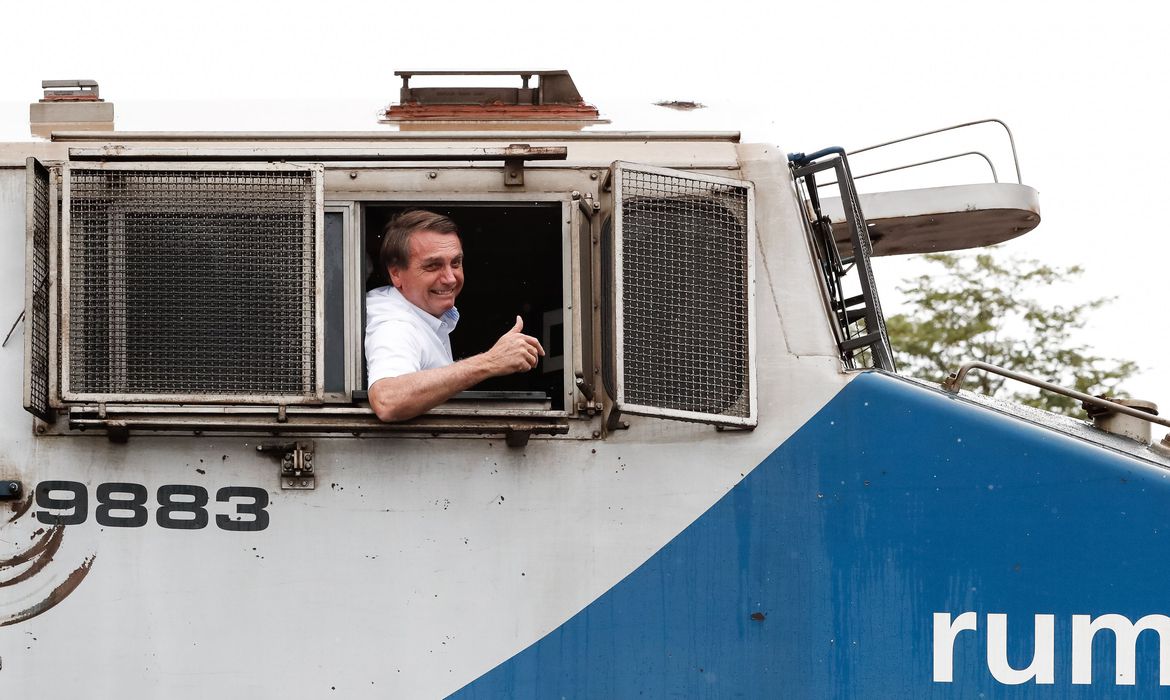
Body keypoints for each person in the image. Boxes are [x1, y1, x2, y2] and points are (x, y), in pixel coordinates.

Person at [364, 209, 544, 422]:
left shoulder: (420, 309)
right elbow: (388, 400)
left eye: (456, 263)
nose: (450, 278)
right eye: (433, 266)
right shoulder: (395, 324)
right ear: (396, 273)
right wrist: (490, 362)